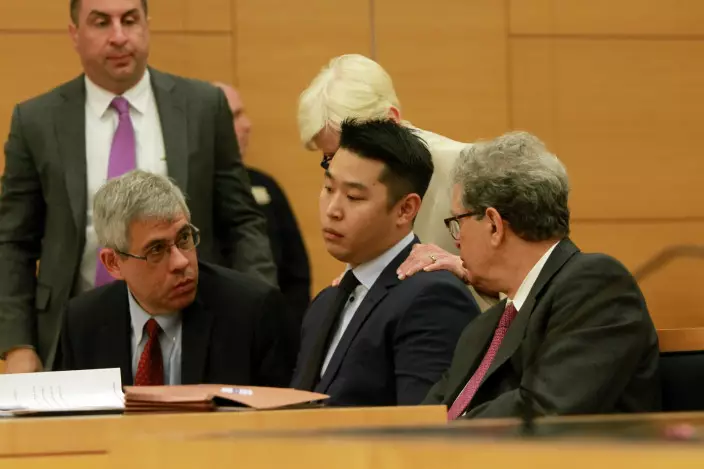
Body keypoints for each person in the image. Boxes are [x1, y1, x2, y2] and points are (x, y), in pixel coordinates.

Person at [0, 0, 276, 374]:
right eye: (101, 22)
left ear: (147, 24)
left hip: (193, 324)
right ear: (75, 34)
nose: (119, 36)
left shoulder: (202, 107)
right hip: (75, 334)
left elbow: (243, 222)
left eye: (129, 20)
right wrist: (17, 344)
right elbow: (12, 241)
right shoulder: (37, 120)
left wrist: (258, 312)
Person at [423, 131, 660, 419]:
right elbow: (426, 415)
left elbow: (545, 411)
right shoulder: (483, 328)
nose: (457, 240)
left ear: (494, 225)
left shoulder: (597, 287)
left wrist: (442, 436)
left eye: (457, 222)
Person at [290, 118, 480, 407]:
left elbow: (423, 423)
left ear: (405, 209)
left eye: (353, 197)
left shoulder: (432, 298)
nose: (333, 210)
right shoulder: (325, 303)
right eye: (328, 188)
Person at [298, 53, 498, 311]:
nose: (341, 166)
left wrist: (465, 269)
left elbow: (530, 278)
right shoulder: (354, 181)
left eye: (349, 150)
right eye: (329, 158)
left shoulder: (473, 168)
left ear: (390, 121)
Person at [60, 170, 293, 387]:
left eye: (184, 238)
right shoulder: (82, 323)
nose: (181, 262)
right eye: (156, 249)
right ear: (113, 263)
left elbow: (287, 414)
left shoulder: (252, 314)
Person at [214, 82, 311, 327]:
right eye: (235, 116)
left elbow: (297, 274)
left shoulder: (266, 186)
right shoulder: (188, 191)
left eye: (243, 114)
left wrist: (286, 329)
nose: (247, 125)